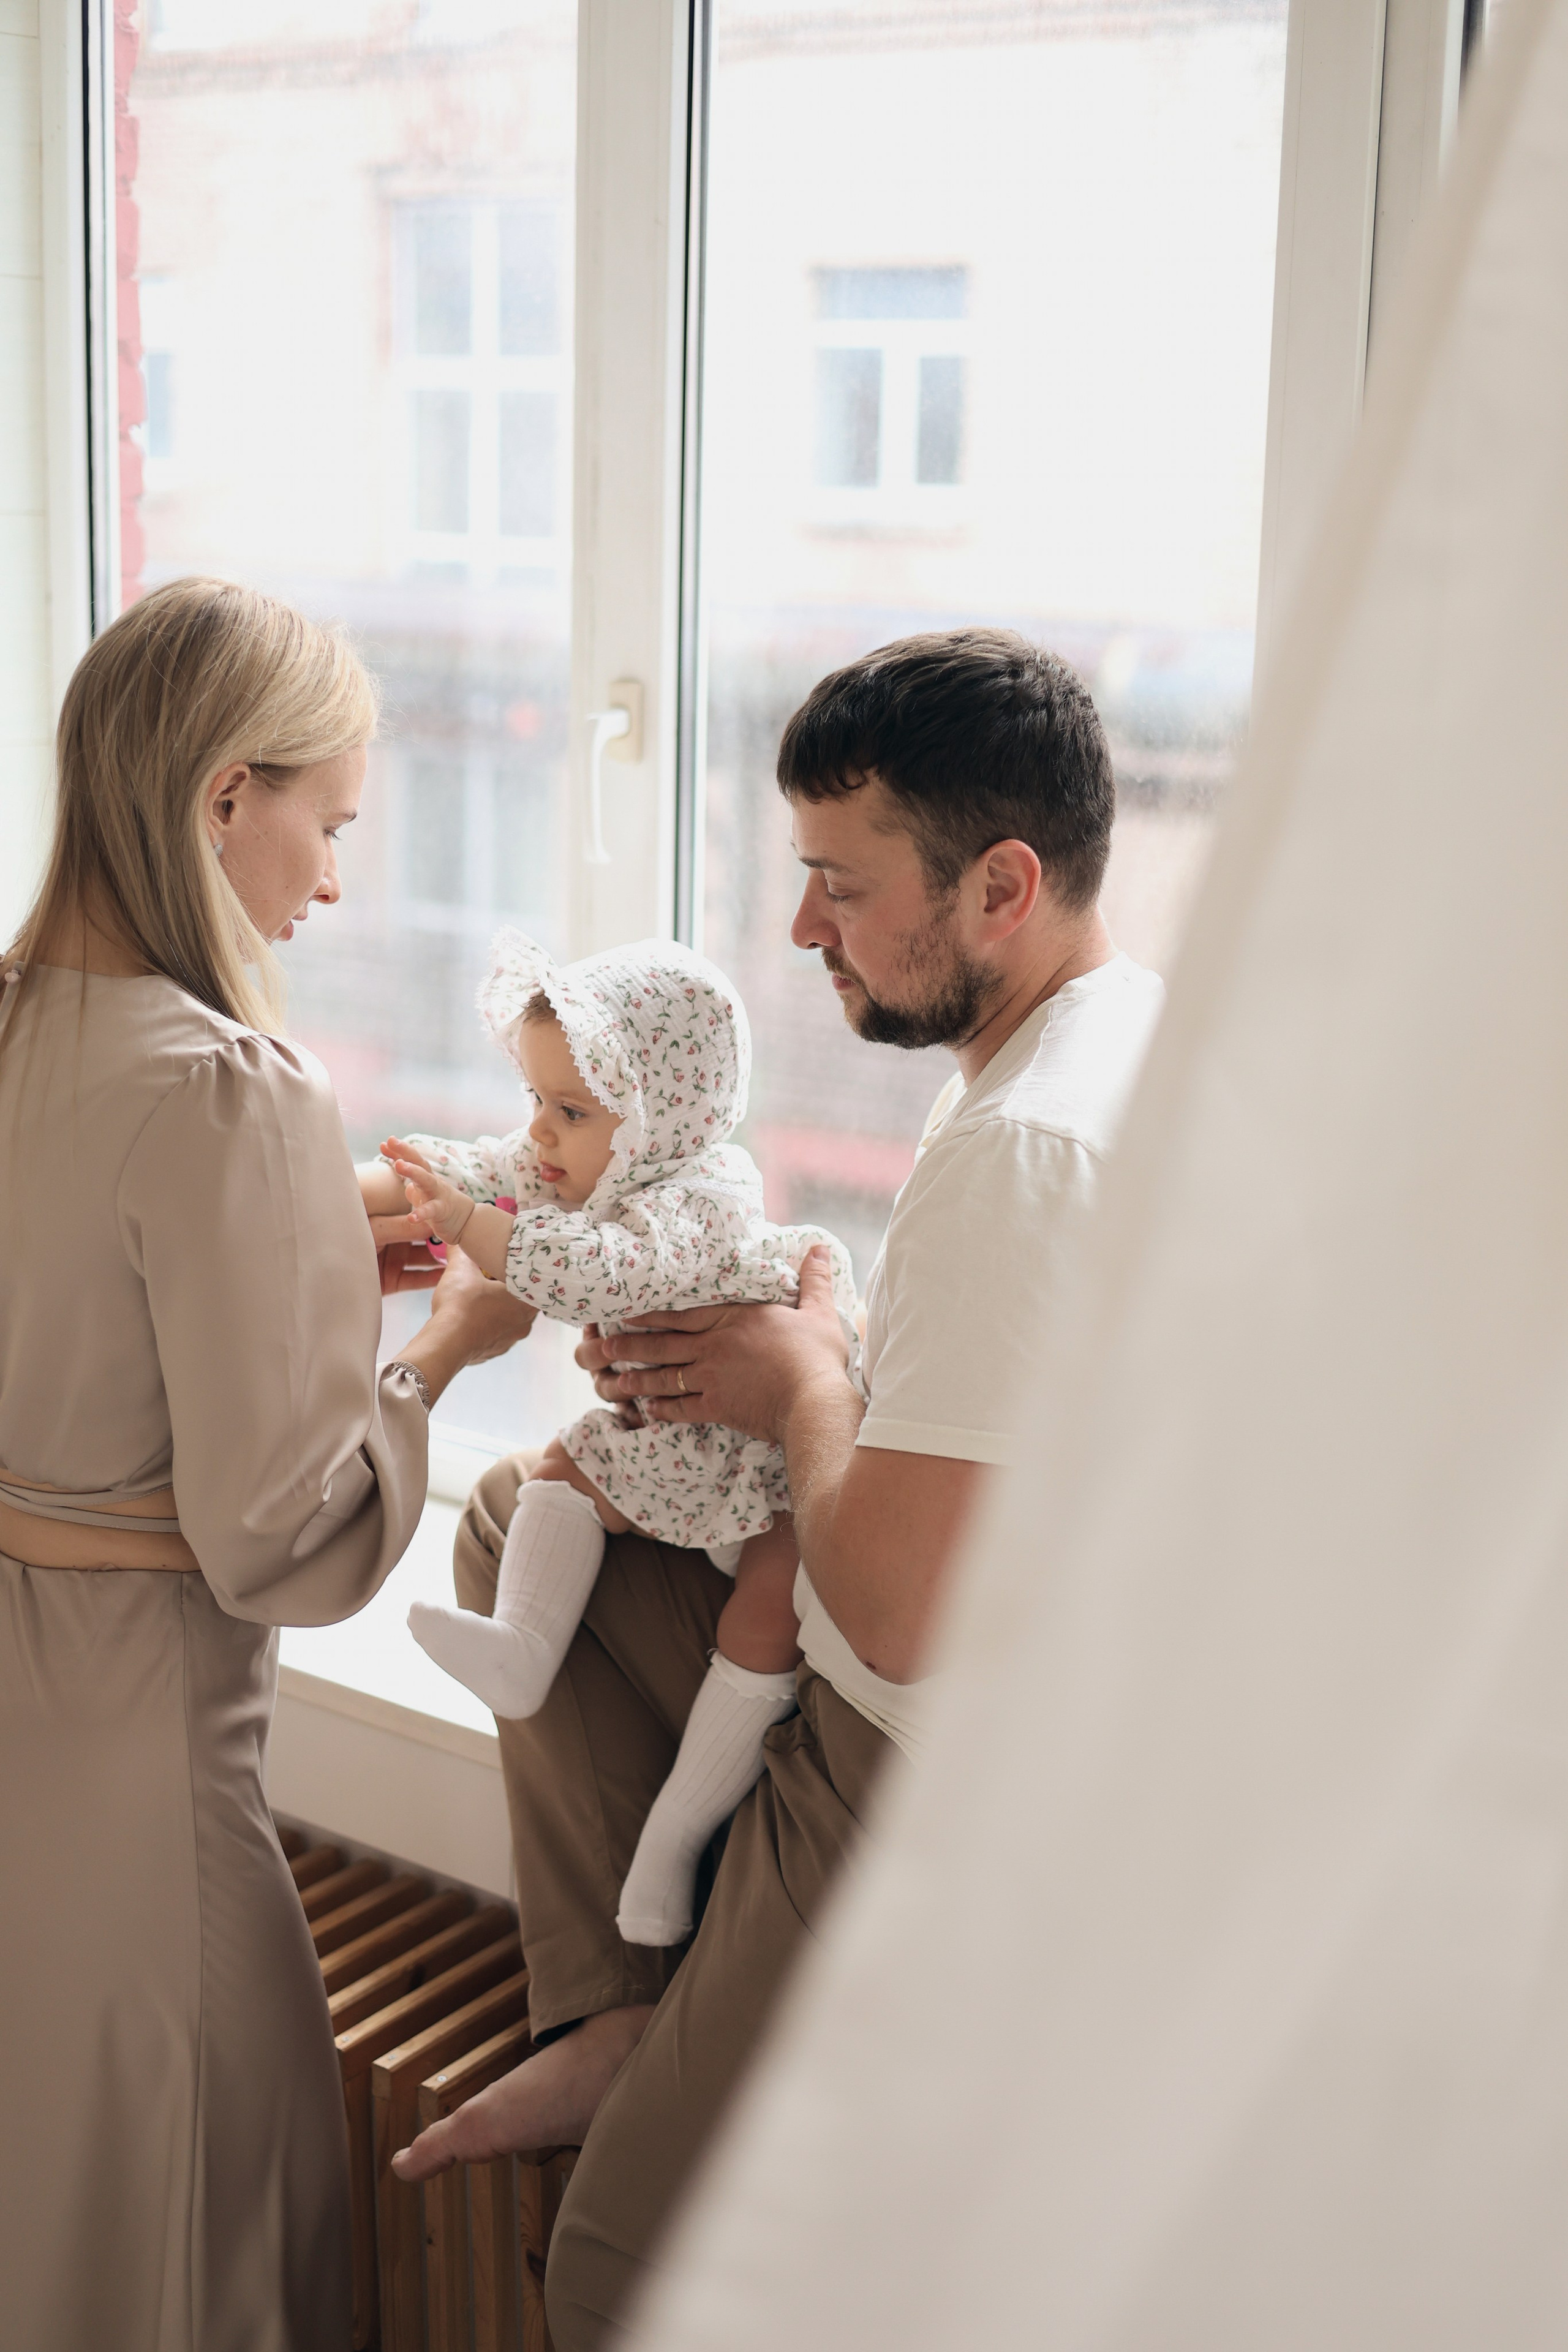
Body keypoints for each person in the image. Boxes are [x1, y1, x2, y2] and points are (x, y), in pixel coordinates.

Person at [390, 627, 1168, 2350]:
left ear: (1001, 887)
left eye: (837, 882)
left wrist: (803, 1382)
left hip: (921, 1754)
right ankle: (615, 2013)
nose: (802, 926)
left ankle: (652, 2055)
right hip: (1010, 1685)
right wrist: (821, 1358)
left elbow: (891, 1605)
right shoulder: (1129, 1043)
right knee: (529, 1512)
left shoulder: (1025, 1149)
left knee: (611, 2273)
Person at [0, 578, 534, 2352]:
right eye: (333, 821)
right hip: (143, 1805)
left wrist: (310, 1248)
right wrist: (440, 1350)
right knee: (199, 2236)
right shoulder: (231, 1085)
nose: (334, 879)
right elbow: (287, 1543)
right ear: (227, 792)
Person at [360, 929, 858, 1944]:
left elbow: (599, 1275)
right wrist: (387, 1186)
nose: (540, 1131)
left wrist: (470, 1225)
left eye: (570, 1110)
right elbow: (492, 1168)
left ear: (660, 1115)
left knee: (770, 1604)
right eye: (537, 1099)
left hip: (765, 1465)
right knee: (565, 1466)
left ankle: (676, 1837)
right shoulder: (588, 1157)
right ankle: (522, 1649)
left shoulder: (701, 1196)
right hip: (670, 1440)